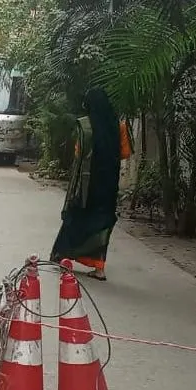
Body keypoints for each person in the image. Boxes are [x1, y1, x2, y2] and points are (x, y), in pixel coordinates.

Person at [50, 88, 122, 281]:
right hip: (108, 185)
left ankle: (61, 256)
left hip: (86, 185)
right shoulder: (118, 126)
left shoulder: (85, 126)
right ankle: (99, 268)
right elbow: (125, 153)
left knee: (77, 217)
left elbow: (78, 154)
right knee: (102, 223)